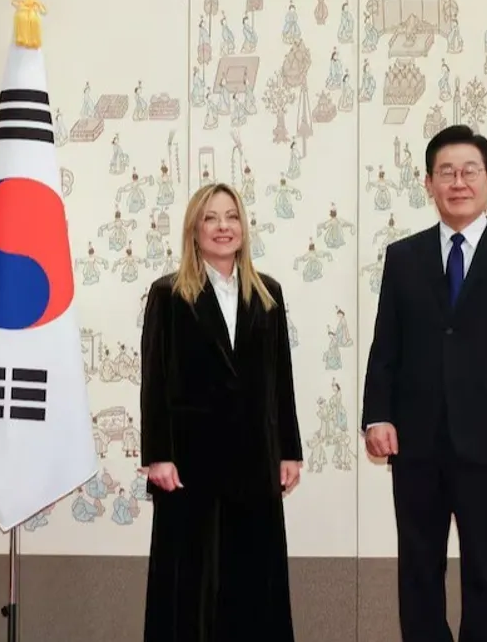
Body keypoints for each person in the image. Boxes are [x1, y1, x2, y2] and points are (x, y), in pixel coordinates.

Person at [362, 125, 487, 642]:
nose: (458, 182)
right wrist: (377, 415)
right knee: (418, 571)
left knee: (485, 572)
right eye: (446, 172)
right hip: (416, 442)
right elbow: (386, 345)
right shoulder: (403, 257)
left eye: (469, 171)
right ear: (428, 183)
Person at [139, 182, 304, 642]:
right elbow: (154, 380)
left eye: (231, 216)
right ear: (194, 229)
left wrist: (288, 450)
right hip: (189, 465)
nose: (222, 226)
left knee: (254, 585)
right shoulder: (168, 294)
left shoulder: (268, 294)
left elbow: (281, 379)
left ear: (243, 227)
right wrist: (158, 455)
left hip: (255, 461)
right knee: (190, 585)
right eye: (210, 218)